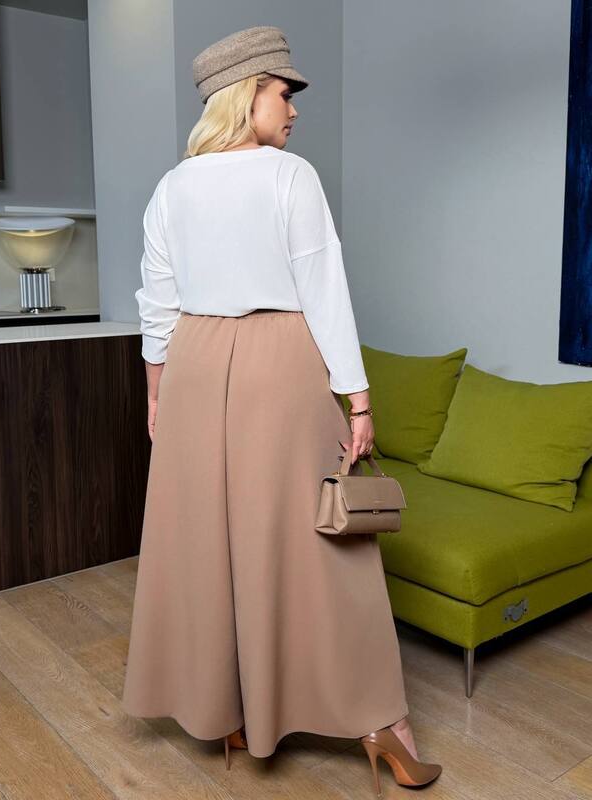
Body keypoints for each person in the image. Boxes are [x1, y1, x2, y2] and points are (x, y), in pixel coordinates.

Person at [121, 25, 441, 795]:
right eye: (281, 92)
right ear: (245, 95)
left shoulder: (171, 188)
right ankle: (382, 723)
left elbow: (156, 304)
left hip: (194, 365)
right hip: (281, 363)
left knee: (207, 542)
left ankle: (226, 709)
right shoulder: (288, 177)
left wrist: (157, 390)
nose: (293, 109)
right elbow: (324, 291)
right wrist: (357, 400)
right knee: (324, 545)